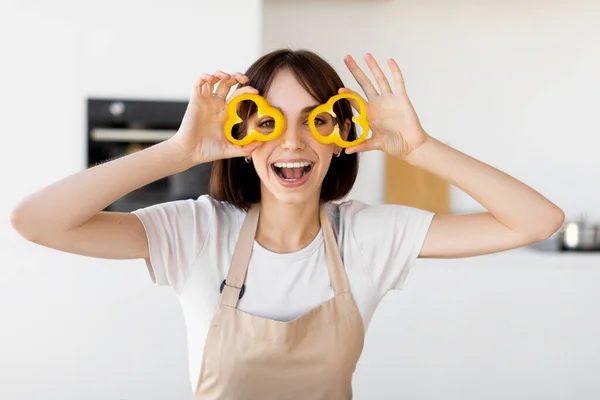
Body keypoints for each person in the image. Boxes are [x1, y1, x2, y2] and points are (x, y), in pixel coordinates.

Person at [10, 48, 564, 399]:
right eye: (271, 123)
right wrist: (180, 151)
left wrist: (418, 148)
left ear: (340, 138)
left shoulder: (367, 238)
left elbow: (539, 221)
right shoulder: (196, 234)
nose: (293, 143)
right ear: (245, 142)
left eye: (314, 122)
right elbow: (34, 221)